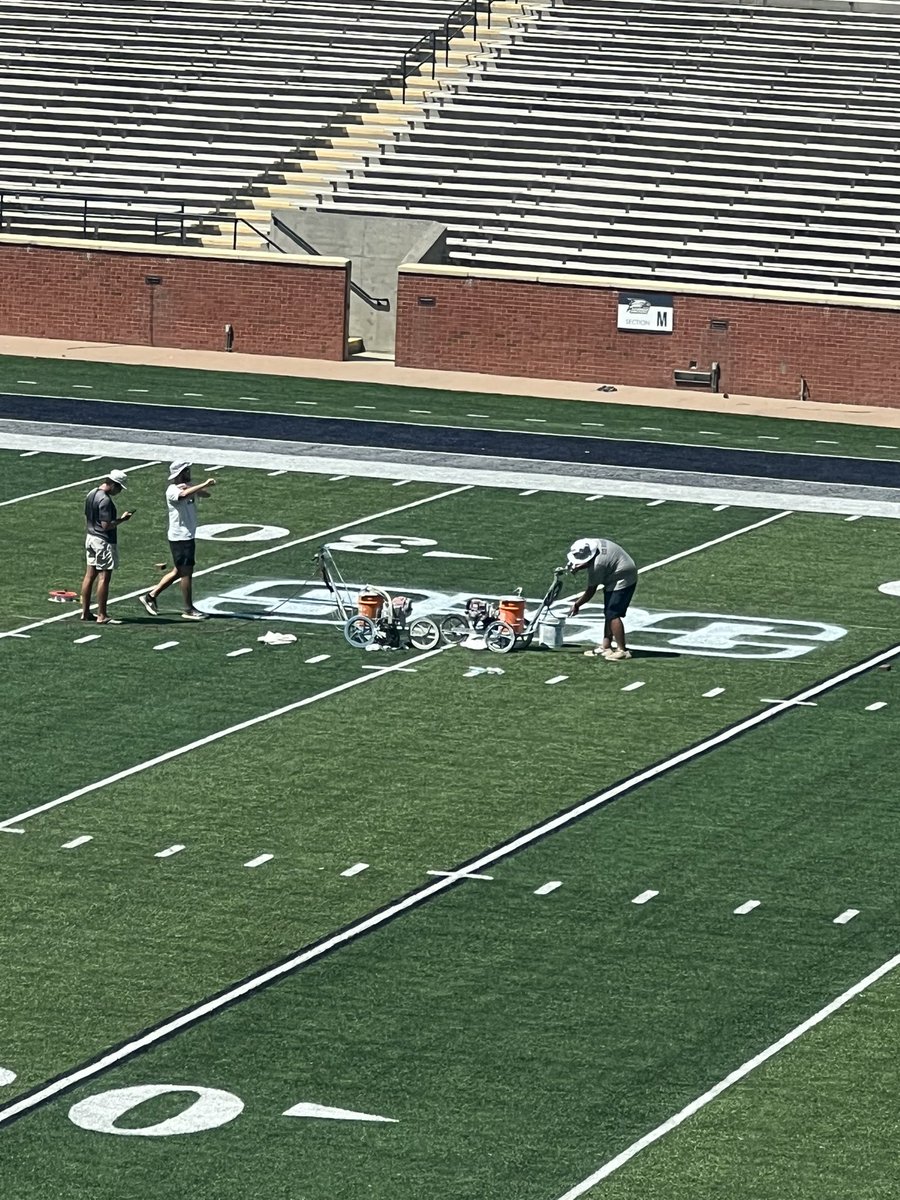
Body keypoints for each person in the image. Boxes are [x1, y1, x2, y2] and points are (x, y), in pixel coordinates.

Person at [139, 461, 216, 620]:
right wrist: (202, 484)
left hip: (186, 535)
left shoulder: (186, 487)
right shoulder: (172, 490)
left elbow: (206, 494)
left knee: (178, 571)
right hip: (180, 537)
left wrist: (194, 486)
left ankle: (151, 596)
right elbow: (183, 496)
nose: (190, 472)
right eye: (187, 470)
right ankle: (188, 609)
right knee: (186, 573)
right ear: (181, 472)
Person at [567, 537, 638, 661]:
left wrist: (577, 604)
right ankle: (606, 646)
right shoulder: (593, 543)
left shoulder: (598, 565)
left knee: (613, 613)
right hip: (617, 570)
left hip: (623, 577)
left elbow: (590, 591)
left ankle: (622, 650)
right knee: (608, 613)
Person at [81, 469, 134, 624]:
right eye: (118, 488)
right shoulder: (105, 501)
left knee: (89, 575)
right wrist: (122, 520)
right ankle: (102, 615)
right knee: (104, 577)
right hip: (102, 540)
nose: (119, 492)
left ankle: (85, 612)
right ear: (112, 484)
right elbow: (106, 525)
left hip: (90, 537)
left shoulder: (91, 493)